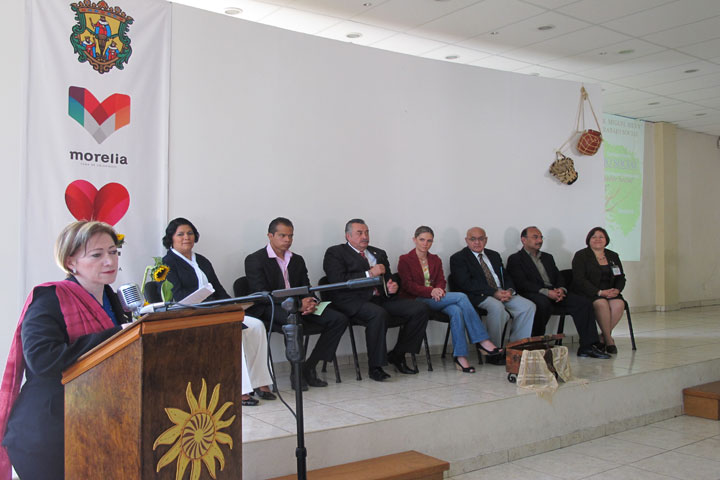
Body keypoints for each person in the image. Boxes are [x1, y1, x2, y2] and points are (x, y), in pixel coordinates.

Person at [0, 221, 128, 480]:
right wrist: (117, 335)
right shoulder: (49, 298)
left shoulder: (112, 299)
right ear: (71, 262)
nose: (109, 261)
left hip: (96, 424)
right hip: (48, 431)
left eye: (113, 252)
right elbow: (42, 359)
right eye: (97, 255)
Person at [161, 217, 275, 405]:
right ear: (171, 238)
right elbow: (178, 296)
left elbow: (218, 288)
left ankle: (260, 383)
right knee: (232, 330)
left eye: (190, 233)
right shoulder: (167, 263)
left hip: (215, 310)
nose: (186, 237)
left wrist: (233, 306)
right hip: (190, 314)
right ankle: (240, 390)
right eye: (180, 234)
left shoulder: (201, 260)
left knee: (256, 326)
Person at [245, 217, 348, 390]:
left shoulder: (297, 259)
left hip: (299, 305)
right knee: (293, 320)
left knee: (338, 319)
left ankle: (310, 366)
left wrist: (311, 301)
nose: (287, 240)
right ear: (270, 236)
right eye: (282, 236)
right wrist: (298, 305)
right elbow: (261, 294)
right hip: (271, 307)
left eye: (290, 236)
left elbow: (306, 286)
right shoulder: (255, 259)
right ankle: (297, 373)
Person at [323, 219, 429, 381]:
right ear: (348, 236)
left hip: (381, 299)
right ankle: (376, 366)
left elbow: (387, 280)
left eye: (366, 232)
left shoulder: (378, 253)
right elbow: (337, 280)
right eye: (359, 233)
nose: (364, 236)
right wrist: (369, 274)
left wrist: (392, 288)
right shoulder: (336, 252)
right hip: (352, 301)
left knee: (420, 308)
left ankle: (397, 355)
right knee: (378, 314)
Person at [397, 226, 502, 373]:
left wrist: (439, 290)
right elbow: (408, 286)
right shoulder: (405, 259)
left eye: (429, 241)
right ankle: (482, 340)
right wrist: (431, 291)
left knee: (456, 310)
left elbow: (441, 280)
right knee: (461, 296)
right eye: (422, 240)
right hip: (417, 300)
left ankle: (460, 357)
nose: (425, 244)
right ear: (414, 240)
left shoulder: (435, 259)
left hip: (436, 298)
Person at [507, 226, 610, 359]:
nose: (539, 240)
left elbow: (558, 276)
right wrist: (546, 292)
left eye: (541, 237)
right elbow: (521, 283)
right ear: (524, 240)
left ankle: (588, 346)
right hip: (534, 293)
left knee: (583, 303)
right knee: (542, 304)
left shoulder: (547, 257)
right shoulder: (515, 258)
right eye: (535, 237)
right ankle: (536, 345)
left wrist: (561, 289)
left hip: (554, 293)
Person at [449, 227, 534, 363]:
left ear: (486, 240)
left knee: (528, 306)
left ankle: (516, 349)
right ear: (466, 240)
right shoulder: (458, 258)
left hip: (501, 291)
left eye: (480, 239)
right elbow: (466, 283)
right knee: (497, 308)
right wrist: (493, 293)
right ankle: (493, 352)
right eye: (473, 239)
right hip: (479, 294)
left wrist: (509, 290)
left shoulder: (494, 255)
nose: (477, 242)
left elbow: (505, 276)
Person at [571, 227, 626, 354]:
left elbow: (621, 277)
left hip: (610, 292)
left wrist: (617, 290)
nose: (598, 239)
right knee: (602, 303)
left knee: (619, 304)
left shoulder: (613, 256)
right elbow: (579, 279)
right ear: (588, 240)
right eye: (594, 237)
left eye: (601, 237)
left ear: (606, 240)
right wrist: (599, 292)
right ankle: (609, 340)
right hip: (590, 292)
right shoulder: (581, 255)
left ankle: (602, 337)